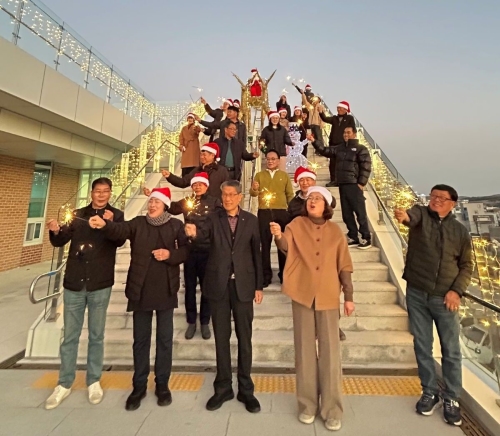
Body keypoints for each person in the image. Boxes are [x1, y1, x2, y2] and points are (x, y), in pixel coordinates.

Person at [89, 187, 189, 411]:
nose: (152, 205)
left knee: (164, 340)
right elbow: (120, 229)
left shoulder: (175, 225)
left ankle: (162, 384)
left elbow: (186, 251)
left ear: (165, 205)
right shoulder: (138, 223)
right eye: (150, 201)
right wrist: (106, 225)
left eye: (156, 202)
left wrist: (170, 254)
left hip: (165, 289)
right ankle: (139, 386)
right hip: (140, 289)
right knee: (140, 340)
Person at [270, 185, 355, 432]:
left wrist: (348, 296)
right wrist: (278, 235)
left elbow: (344, 265)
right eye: (310, 198)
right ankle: (307, 405)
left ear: (326, 205)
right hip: (302, 293)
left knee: (330, 353)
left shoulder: (336, 231)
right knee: (304, 351)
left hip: (328, 295)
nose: (312, 201)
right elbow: (286, 245)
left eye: (317, 198)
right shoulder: (296, 224)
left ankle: (332, 409)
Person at [395, 184, 473, 427]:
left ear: (453, 203)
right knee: (422, 345)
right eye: (433, 196)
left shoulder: (460, 231)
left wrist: (456, 291)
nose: (436, 200)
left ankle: (452, 397)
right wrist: (404, 216)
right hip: (417, 293)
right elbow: (411, 218)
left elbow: (466, 266)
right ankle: (429, 391)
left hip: (445, 298)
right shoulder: (421, 214)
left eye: (442, 197)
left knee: (451, 350)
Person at [44, 178, 125, 410]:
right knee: (70, 336)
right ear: (91, 193)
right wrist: (55, 231)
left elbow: (120, 240)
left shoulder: (116, 215)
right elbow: (61, 239)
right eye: (98, 191)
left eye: (106, 191)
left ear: (110, 193)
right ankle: (64, 383)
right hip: (75, 282)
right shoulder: (78, 214)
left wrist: (109, 224)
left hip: (100, 283)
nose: (101, 195)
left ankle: (93, 380)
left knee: (96, 335)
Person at [185, 180, 263, 413]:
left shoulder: (251, 220)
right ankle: (223, 388)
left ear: (240, 197)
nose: (227, 198)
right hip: (218, 285)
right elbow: (202, 238)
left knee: (245, 338)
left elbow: (256, 254)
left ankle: (246, 389)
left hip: (243, 286)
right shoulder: (213, 219)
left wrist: (259, 285)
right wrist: (193, 234)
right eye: (224, 195)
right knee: (221, 337)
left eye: (231, 195)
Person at [147, 173, 221, 340]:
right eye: (195, 184)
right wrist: (155, 197)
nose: (197, 187)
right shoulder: (187, 201)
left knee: (207, 288)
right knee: (189, 288)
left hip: (208, 251)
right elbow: (172, 208)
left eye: (201, 184)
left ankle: (205, 321)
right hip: (189, 251)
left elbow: (219, 222)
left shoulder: (215, 202)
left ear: (207, 186)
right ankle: (191, 321)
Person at [287, 167, 346, 342]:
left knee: (327, 294)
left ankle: (333, 326)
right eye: (301, 180)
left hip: (322, 249)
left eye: (308, 180)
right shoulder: (295, 203)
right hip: (303, 251)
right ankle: (311, 329)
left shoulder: (323, 197)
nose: (305, 183)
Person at [309, 126, 372, 249]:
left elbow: (366, 166)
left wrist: (361, 183)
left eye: (348, 132)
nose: (345, 134)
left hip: (354, 184)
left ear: (354, 134)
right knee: (346, 213)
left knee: (360, 212)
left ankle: (366, 237)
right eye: (344, 132)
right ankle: (353, 236)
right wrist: (314, 141)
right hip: (342, 184)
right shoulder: (340, 148)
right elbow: (325, 151)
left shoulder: (361, 149)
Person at [249, 149, 294, 287]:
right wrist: (254, 188)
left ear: (278, 161)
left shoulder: (284, 176)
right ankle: (265, 275)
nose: (270, 161)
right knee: (265, 244)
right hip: (264, 212)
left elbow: (290, 194)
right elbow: (253, 194)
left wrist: (291, 211)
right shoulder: (259, 175)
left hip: (282, 212)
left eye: (273, 159)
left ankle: (284, 275)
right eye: (268, 159)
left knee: (282, 244)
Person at [162, 143, 229, 200]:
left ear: (212, 156)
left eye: (204, 155)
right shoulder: (197, 170)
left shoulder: (221, 171)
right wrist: (170, 176)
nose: (202, 157)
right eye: (201, 155)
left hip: (216, 205)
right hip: (198, 204)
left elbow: (227, 189)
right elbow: (183, 182)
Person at [319, 101, 356, 187]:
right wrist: (321, 112)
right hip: (333, 144)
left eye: (340, 108)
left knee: (342, 163)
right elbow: (325, 119)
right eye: (338, 108)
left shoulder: (349, 118)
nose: (338, 110)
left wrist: (350, 141)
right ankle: (333, 180)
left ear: (345, 109)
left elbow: (353, 129)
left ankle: (342, 180)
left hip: (343, 144)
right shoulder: (334, 118)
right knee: (332, 163)